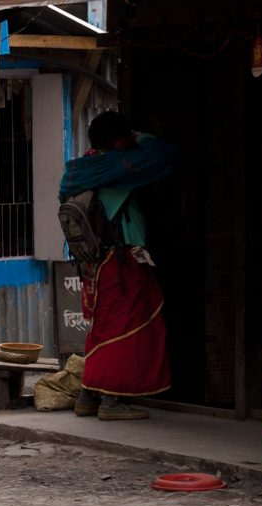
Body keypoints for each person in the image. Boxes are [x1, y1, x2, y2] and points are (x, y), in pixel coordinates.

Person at [59, 111, 175, 421]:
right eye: (125, 136)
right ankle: (111, 401)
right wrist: (140, 136)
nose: (130, 141)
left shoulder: (80, 169)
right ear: (116, 141)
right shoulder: (118, 167)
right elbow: (162, 154)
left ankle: (87, 397)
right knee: (125, 329)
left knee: (102, 328)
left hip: (92, 264)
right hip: (120, 261)